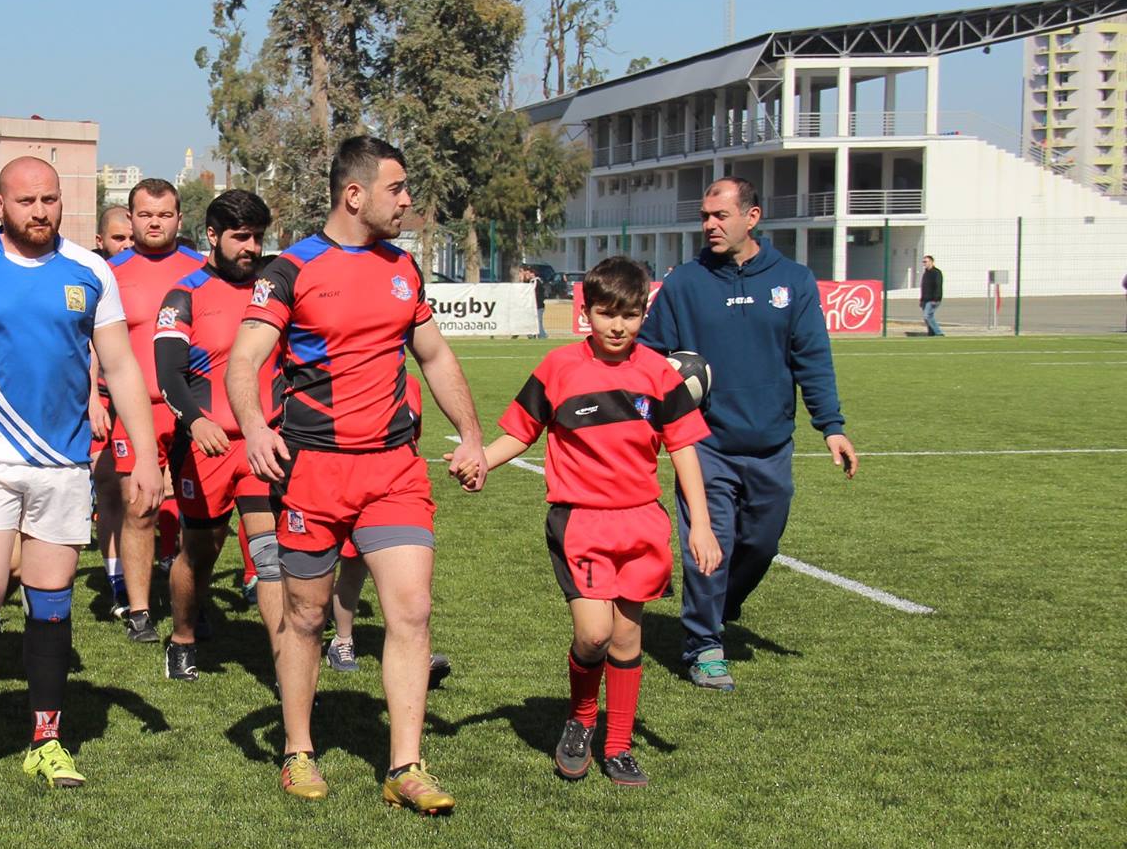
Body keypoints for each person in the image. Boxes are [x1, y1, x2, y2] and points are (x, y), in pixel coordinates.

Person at [228, 135, 488, 813]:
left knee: (412, 608)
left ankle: (405, 763)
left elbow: (432, 356)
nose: (407, 200)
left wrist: (472, 434)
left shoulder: (405, 269)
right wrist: (255, 427)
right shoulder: (291, 269)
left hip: (394, 470)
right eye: (397, 188)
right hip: (312, 470)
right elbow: (244, 356)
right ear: (355, 194)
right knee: (306, 614)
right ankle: (298, 748)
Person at [0, 156, 158, 790]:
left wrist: (146, 454)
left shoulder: (89, 270)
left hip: (64, 466)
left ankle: (46, 736)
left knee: (50, 602)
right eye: (26, 201)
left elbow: (121, 367)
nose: (39, 212)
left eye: (49, 200)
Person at [477, 256, 722, 788]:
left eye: (629, 316)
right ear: (586, 311)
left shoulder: (659, 373)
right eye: (607, 314)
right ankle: (583, 718)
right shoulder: (558, 367)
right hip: (581, 522)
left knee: (628, 642)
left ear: (643, 314)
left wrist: (699, 525)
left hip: (641, 525)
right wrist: (482, 461)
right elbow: (521, 431)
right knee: (593, 635)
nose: (618, 326)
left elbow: (683, 451)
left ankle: (619, 745)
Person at [637, 176, 858, 692]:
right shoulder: (685, 284)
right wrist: (657, 404)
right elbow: (648, 355)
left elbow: (812, 359)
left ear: (751, 217)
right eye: (705, 216)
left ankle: (721, 602)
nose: (710, 225)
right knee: (709, 544)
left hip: (771, 445)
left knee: (759, 543)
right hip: (705, 444)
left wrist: (832, 427)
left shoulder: (794, 281)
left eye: (720, 215)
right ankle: (703, 645)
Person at [153, 188, 283, 681]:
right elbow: (168, 374)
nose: (250, 247)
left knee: (269, 553)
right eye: (240, 237)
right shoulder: (183, 295)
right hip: (204, 447)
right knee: (201, 554)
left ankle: (282, 657)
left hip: (260, 444)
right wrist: (196, 419)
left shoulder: (273, 288)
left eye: (257, 238)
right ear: (213, 236)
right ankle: (183, 635)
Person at [95, 179, 201, 642]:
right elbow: (89, 345)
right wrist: (93, 399)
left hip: (196, 412)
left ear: (179, 218)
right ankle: (139, 610)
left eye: (164, 214)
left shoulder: (201, 270)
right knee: (140, 508)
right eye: (144, 214)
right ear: (130, 219)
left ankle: (191, 601)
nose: (154, 222)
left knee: (200, 513)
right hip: (138, 411)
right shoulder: (108, 273)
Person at [919, 254, 944, 337]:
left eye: (926, 261)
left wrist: (936, 298)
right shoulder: (926, 273)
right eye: (923, 262)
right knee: (929, 316)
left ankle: (938, 332)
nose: (924, 263)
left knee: (927, 316)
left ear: (931, 262)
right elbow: (924, 287)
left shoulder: (936, 272)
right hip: (925, 299)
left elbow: (938, 286)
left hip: (933, 299)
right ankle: (931, 332)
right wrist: (922, 299)